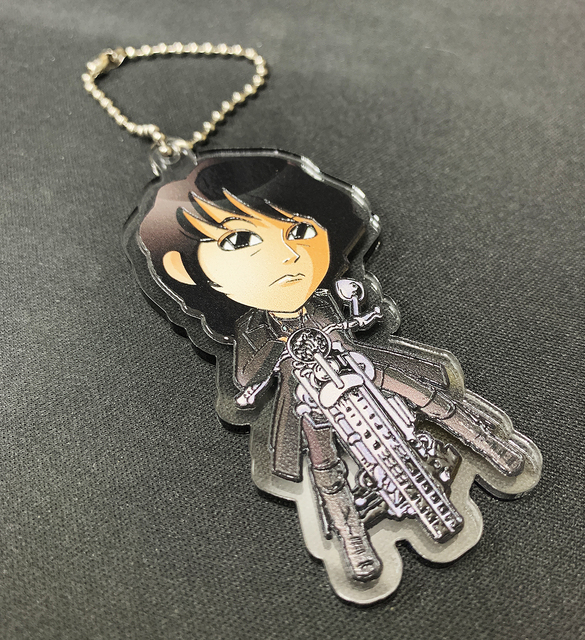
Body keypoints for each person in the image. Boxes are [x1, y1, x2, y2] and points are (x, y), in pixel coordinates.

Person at [134, 152, 526, 582]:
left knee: (424, 393)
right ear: (182, 268)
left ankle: (492, 447)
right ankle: (354, 542)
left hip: (358, 366)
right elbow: (247, 377)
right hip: (307, 397)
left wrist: (363, 316)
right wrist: (260, 377)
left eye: (299, 231)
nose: (286, 254)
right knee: (324, 467)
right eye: (240, 240)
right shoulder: (250, 332)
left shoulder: (323, 300)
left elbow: (353, 322)